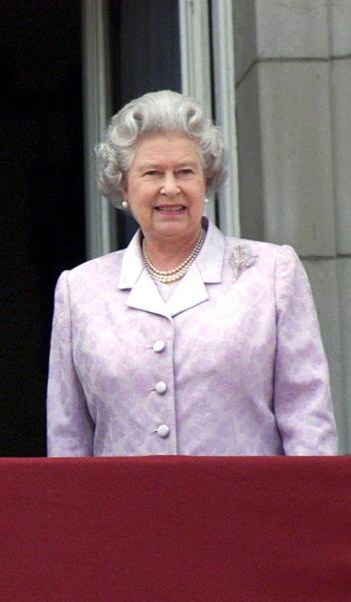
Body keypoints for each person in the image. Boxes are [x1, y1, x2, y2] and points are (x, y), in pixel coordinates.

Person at [47, 90, 337, 456]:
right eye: (152, 173)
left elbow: (308, 424)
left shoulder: (272, 273)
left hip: (246, 510)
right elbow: (67, 438)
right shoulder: (80, 291)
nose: (171, 187)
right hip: (122, 512)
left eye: (185, 171)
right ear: (123, 186)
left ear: (206, 180)